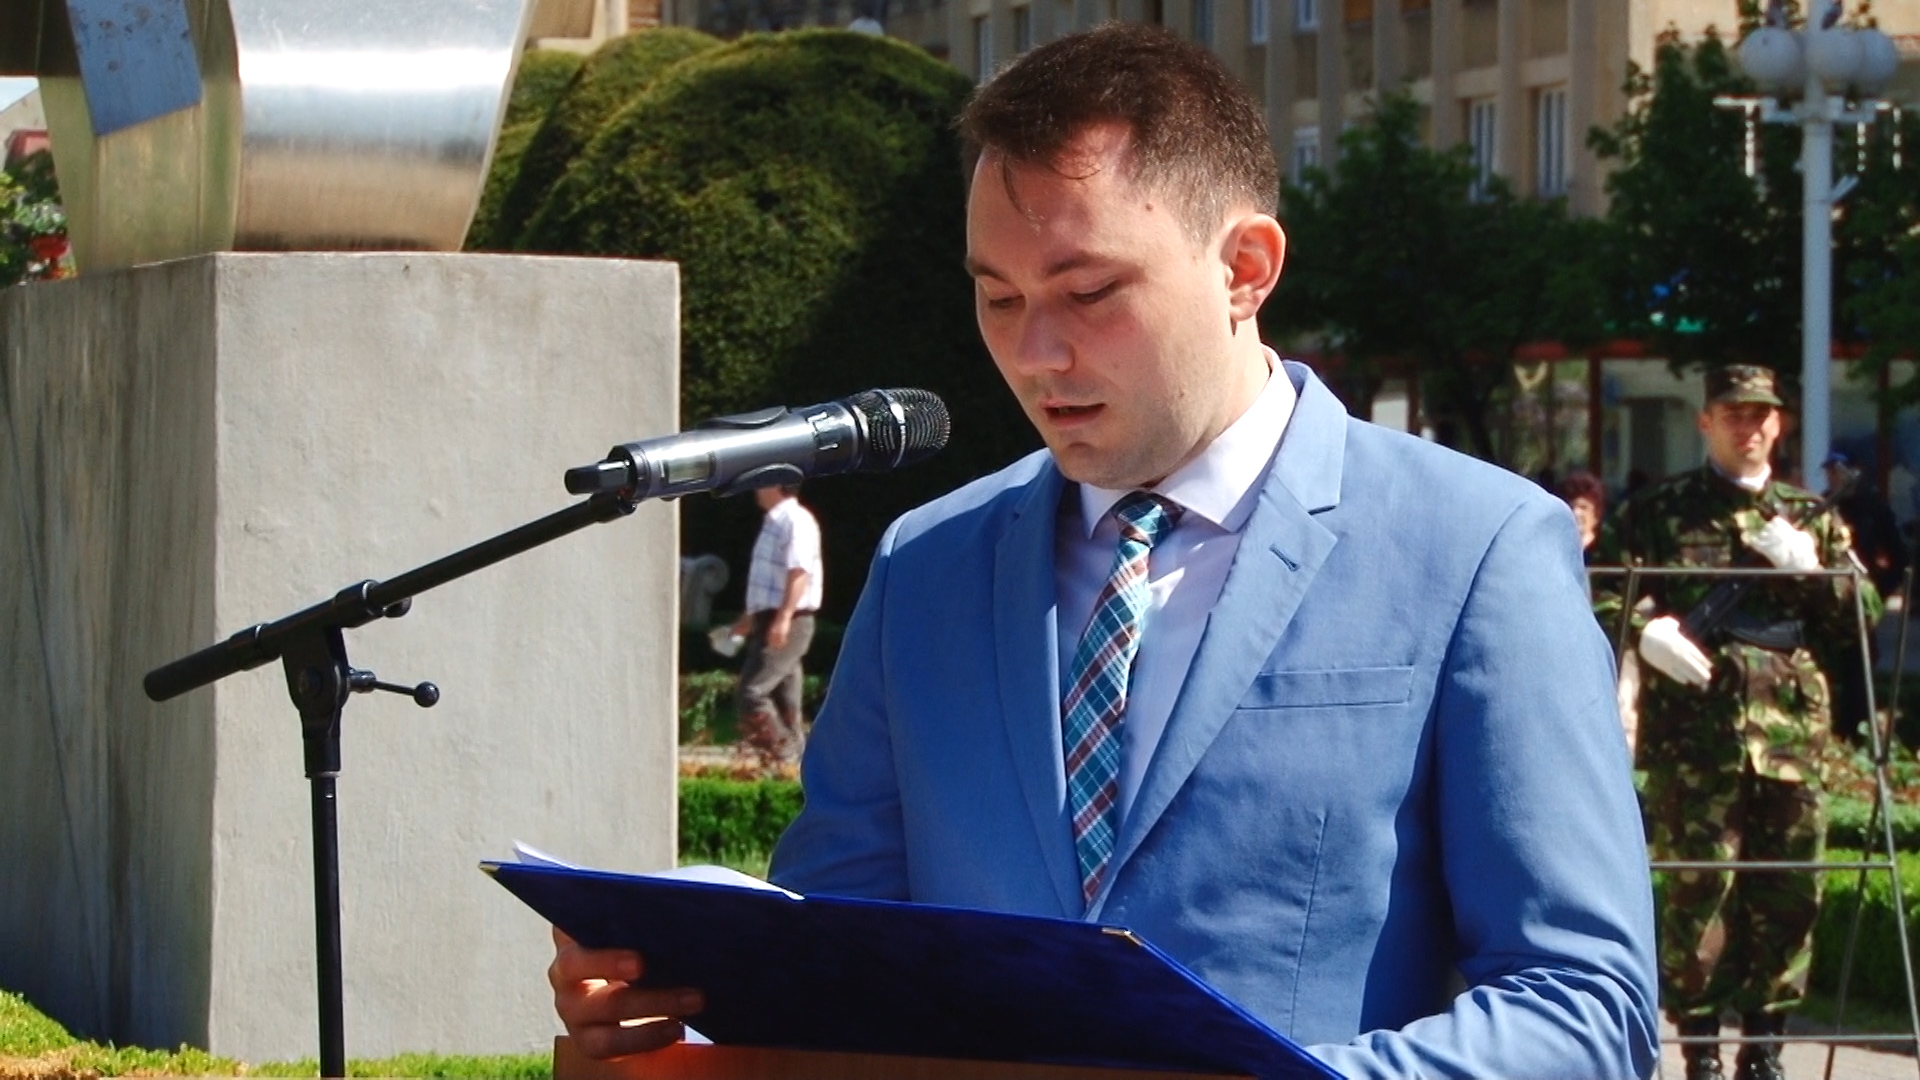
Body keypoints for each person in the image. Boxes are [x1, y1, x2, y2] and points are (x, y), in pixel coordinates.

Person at [551, 23, 1657, 1078]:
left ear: (1246, 267)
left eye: (1088, 292)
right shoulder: (925, 566)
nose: (1036, 353)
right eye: (998, 297)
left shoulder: (1476, 548)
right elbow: (841, 958)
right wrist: (684, 995)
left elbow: (1586, 1005)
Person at [1592, 365, 1865, 1080]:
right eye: (1734, 414)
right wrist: (1645, 631)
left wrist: (1815, 574)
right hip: (1696, 741)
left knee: (1789, 892)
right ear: (1705, 421)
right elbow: (1595, 590)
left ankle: (1766, 1048)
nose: (1750, 427)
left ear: (1780, 424)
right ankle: (1702, 1052)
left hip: (1791, 739)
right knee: (1699, 895)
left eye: (1761, 415)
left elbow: (1862, 619)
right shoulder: (1661, 512)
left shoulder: (1808, 517)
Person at [728, 482, 823, 764]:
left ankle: (783, 756)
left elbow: (799, 572)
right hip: (773, 617)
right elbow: (770, 580)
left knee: (752, 692)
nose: (756, 489)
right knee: (786, 698)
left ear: (777, 485)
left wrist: (784, 618)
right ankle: (796, 764)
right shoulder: (774, 522)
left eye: (762, 483)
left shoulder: (796, 520)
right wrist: (749, 618)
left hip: (790, 619)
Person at [1822, 451, 1901, 744]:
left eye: (1839, 470)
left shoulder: (1873, 509)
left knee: (1858, 678)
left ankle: (1858, 739)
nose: (1833, 477)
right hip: (1822, 608)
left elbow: (1898, 559)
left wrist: (1876, 596)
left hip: (1857, 608)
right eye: (1829, 471)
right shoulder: (1821, 506)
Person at [1559, 469, 1608, 557]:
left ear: (1597, 514)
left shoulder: (1606, 553)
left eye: (1583, 507)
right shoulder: (1557, 549)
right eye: (1571, 507)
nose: (1576, 513)